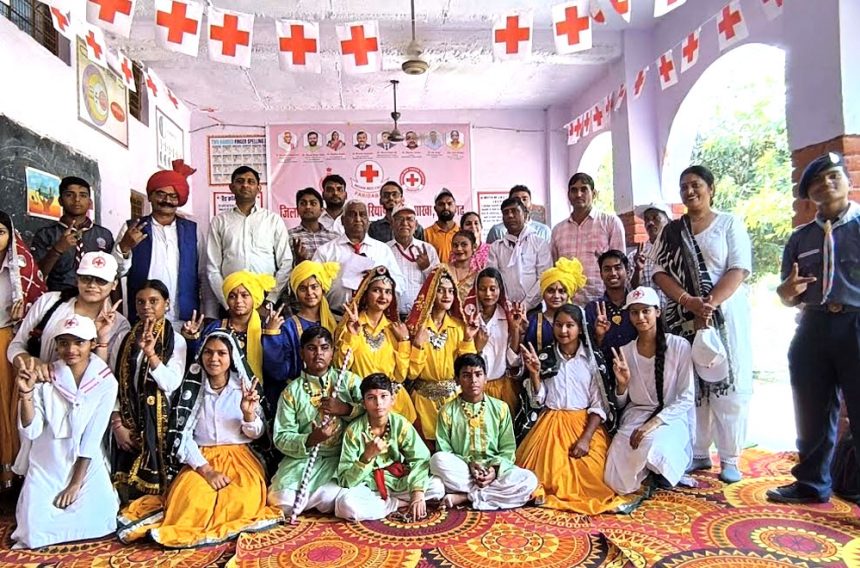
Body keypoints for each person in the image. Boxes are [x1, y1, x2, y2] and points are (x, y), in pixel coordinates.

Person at [117, 331, 282, 547]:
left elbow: (258, 435)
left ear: (232, 357)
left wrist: (248, 413)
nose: (214, 359)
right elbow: (183, 436)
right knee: (189, 501)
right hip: (200, 459)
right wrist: (207, 470)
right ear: (201, 355)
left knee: (241, 501)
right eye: (209, 352)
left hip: (241, 458)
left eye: (221, 353)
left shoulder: (243, 388)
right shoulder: (192, 389)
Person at [767, 152, 860, 504]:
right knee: (812, 411)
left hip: (856, 322)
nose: (826, 184)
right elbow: (785, 292)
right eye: (817, 181)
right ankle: (811, 484)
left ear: (848, 181)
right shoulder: (800, 238)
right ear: (808, 195)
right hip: (813, 326)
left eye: (834, 176)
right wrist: (787, 293)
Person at [652, 165, 752, 484]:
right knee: (692, 387)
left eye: (696, 185)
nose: (690, 191)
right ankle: (698, 452)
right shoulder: (673, 231)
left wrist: (710, 304)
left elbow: (738, 268)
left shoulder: (728, 224)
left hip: (723, 317)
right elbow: (658, 271)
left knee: (727, 383)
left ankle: (730, 457)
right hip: (684, 317)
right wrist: (688, 302)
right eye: (684, 187)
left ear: (711, 188)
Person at [12, 314, 119, 549]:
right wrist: (26, 394)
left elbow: (93, 436)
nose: (71, 349)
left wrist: (75, 483)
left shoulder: (106, 382)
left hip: (85, 463)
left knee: (102, 520)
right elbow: (32, 431)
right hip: (47, 461)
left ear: (92, 343)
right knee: (34, 531)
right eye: (64, 343)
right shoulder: (45, 376)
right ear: (57, 346)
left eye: (79, 342)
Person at [514, 304, 623, 514]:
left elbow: (598, 404)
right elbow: (538, 400)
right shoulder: (544, 357)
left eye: (569, 325)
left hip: (585, 425)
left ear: (581, 328)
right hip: (550, 426)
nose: (563, 331)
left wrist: (585, 439)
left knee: (596, 477)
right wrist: (535, 375)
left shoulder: (593, 359)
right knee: (545, 475)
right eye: (558, 325)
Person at [604, 287, 695, 494]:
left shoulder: (679, 346)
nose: (640, 317)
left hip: (670, 417)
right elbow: (621, 403)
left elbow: (686, 397)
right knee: (615, 468)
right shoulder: (625, 351)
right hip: (637, 415)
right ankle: (647, 476)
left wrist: (651, 425)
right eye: (634, 312)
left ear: (658, 312)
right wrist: (622, 384)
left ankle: (658, 473)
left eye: (646, 311)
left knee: (654, 445)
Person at [268, 327, 364, 517]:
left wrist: (345, 409)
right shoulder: (291, 392)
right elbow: (281, 437)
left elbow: (372, 413)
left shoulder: (349, 381)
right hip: (302, 461)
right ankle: (315, 499)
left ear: (332, 352)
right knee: (279, 501)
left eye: (324, 348)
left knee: (336, 498)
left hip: (341, 458)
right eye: (311, 348)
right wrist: (311, 439)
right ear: (302, 353)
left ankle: (318, 498)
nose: (318, 353)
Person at [430, 354, 537, 510]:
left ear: (486, 378)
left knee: (529, 480)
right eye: (466, 375)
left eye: (478, 374)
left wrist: (494, 470)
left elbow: (508, 449)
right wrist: (469, 463)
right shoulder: (447, 411)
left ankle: (466, 496)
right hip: (464, 471)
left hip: (494, 473)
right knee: (437, 460)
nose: (473, 380)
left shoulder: (501, 408)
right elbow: (444, 449)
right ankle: (490, 495)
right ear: (457, 380)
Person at [112, 280, 187, 500]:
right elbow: (111, 383)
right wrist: (117, 424)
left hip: (160, 424)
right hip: (127, 421)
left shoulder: (177, 340)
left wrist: (151, 355)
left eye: (154, 301)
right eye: (141, 302)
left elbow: (170, 384)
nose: (147, 307)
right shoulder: (123, 339)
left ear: (167, 304)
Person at [334, 373, 445, 521]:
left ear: (392, 399)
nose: (378, 403)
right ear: (364, 403)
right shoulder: (354, 431)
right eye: (371, 398)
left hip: (398, 481)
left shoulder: (401, 424)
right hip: (370, 486)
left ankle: (388, 504)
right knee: (345, 505)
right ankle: (395, 504)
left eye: (383, 396)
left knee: (437, 487)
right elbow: (345, 480)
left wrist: (417, 491)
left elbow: (420, 458)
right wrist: (366, 457)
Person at [8, 251, 129, 379]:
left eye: (101, 281)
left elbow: (106, 377)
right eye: (86, 278)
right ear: (77, 279)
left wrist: (102, 340)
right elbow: (16, 346)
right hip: (36, 389)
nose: (92, 285)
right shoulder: (49, 302)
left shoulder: (119, 325)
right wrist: (31, 362)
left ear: (114, 284)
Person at [114, 160, 202, 328]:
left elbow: (203, 275)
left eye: (173, 196)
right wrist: (124, 247)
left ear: (180, 200)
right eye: (161, 194)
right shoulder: (132, 227)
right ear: (151, 196)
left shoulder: (194, 231)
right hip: (142, 319)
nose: (167, 200)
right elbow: (115, 273)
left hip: (184, 321)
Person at [406, 266, 480, 442]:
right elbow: (411, 373)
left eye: (450, 291)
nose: (446, 295)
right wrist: (417, 344)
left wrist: (468, 339)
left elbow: (467, 366)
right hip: (423, 401)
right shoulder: (416, 327)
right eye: (440, 290)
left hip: (453, 400)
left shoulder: (459, 326)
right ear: (431, 293)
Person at [336, 266, 417, 423]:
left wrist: (404, 341)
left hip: (395, 407)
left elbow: (400, 376)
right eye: (377, 290)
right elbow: (341, 366)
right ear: (365, 294)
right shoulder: (351, 326)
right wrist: (351, 335)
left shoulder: (394, 330)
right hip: (362, 404)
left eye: (388, 292)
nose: (383, 296)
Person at [0, 211, 46, 489]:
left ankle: (10, 474)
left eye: (0, 232)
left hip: (6, 341)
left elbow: (37, 308)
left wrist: (21, 314)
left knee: (7, 407)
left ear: (10, 235)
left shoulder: (21, 265)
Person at [206, 166, 292, 311]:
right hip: (233, 298)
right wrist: (227, 304)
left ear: (258, 188)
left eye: (250, 181)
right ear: (231, 187)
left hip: (267, 299)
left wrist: (270, 300)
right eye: (240, 181)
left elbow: (286, 263)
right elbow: (212, 268)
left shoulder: (273, 220)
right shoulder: (219, 221)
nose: (245, 185)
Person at [182, 271, 275, 404]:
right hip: (220, 396)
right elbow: (199, 361)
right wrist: (192, 338)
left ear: (254, 297)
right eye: (232, 296)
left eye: (244, 295)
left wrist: (272, 336)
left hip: (260, 394)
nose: (238, 301)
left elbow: (277, 370)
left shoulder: (267, 327)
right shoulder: (215, 327)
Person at [312, 200, 405, 313]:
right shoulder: (326, 251)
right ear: (342, 220)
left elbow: (399, 284)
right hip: (335, 317)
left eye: (362, 215)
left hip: (373, 319)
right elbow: (313, 286)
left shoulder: (382, 250)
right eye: (352, 214)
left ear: (368, 221)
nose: (358, 219)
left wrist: (378, 279)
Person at [262, 260, 340, 389]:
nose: (309, 293)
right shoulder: (288, 327)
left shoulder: (336, 323)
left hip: (333, 390)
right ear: (295, 293)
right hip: (299, 393)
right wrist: (272, 336)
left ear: (323, 289)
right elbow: (279, 371)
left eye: (314, 287)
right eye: (303, 288)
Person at [551, 173, 626, 304]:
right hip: (567, 305)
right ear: (568, 195)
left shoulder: (610, 223)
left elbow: (621, 267)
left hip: (602, 303)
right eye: (574, 190)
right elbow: (554, 267)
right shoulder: (558, 230)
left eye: (584, 189)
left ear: (594, 194)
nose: (578, 194)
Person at [31, 176, 115, 292]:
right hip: (59, 298)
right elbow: (36, 275)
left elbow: (113, 274)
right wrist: (57, 250)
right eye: (69, 195)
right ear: (60, 200)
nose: (77, 199)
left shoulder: (104, 235)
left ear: (90, 202)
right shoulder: (46, 234)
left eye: (83, 195)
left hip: (95, 299)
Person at [487, 197, 552, 311]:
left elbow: (544, 277)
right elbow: (493, 279)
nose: (510, 216)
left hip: (534, 308)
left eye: (514, 211)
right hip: (505, 309)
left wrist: (525, 305)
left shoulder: (540, 243)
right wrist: (505, 302)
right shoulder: (496, 247)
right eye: (506, 213)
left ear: (525, 214)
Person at [472, 267, 519, 413]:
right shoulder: (469, 316)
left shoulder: (506, 316)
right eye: (482, 289)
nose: (488, 294)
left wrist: (515, 329)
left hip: (501, 387)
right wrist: (477, 349)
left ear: (500, 290)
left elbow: (512, 359)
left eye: (493, 289)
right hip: (474, 388)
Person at [516, 258, 586, 352]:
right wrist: (519, 332)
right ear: (543, 293)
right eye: (551, 291)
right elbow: (521, 353)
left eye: (562, 291)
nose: (556, 296)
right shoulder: (532, 321)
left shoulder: (580, 320)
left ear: (569, 294)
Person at [388, 204, 439, 317]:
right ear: (392, 224)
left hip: (421, 316)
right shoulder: (385, 250)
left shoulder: (428, 250)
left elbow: (438, 284)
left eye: (409, 219)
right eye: (400, 219)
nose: (404, 223)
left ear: (416, 225)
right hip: (391, 317)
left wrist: (427, 268)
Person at [585, 250, 637, 356]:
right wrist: (599, 336)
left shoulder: (637, 304)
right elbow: (588, 349)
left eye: (618, 268)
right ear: (601, 274)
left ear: (627, 271)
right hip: (605, 369)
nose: (613, 273)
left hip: (637, 367)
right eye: (607, 269)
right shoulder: (593, 308)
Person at [629, 203, 671, 307]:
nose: (650, 223)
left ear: (668, 221)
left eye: (656, 218)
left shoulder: (677, 252)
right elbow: (633, 292)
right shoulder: (635, 256)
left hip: (674, 316)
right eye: (647, 219)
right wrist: (638, 270)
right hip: (646, 319)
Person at [288, 187, 338, 264]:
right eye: (303, 203)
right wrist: (298, 261)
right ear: (297, 210)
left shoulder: (334, 237)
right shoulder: (289, 236)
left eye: (313, 203)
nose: (308, 207)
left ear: (321, 210)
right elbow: (284, 266)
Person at [486, 186, 551, 244]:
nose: (521, 203)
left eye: (524, 199)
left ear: (531, 205)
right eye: (516, 200)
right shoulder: (497, 230)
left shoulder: (544, 230)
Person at [423, 189, 459, 261]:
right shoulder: (426, 234)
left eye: (449, 203)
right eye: (441, 204)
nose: (446, 207)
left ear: (456, 208)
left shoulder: (462, 233)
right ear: (435, 209)